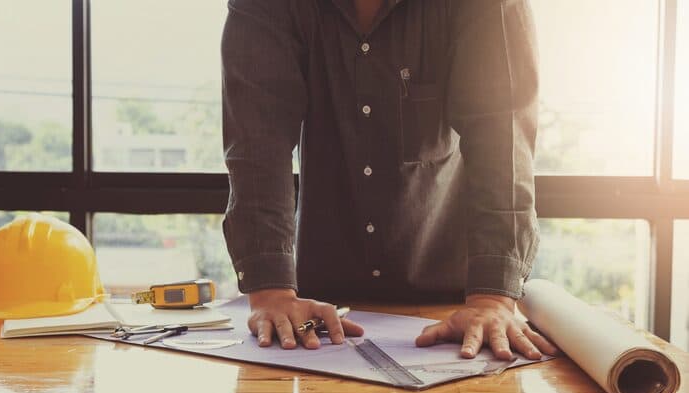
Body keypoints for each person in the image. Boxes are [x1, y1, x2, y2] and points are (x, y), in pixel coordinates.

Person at [221, 0, 558, 360]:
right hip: (317, 311)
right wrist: (271, 291)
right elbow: (258, 145)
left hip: (458, 309)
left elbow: (502, 144)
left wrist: (494, 297)